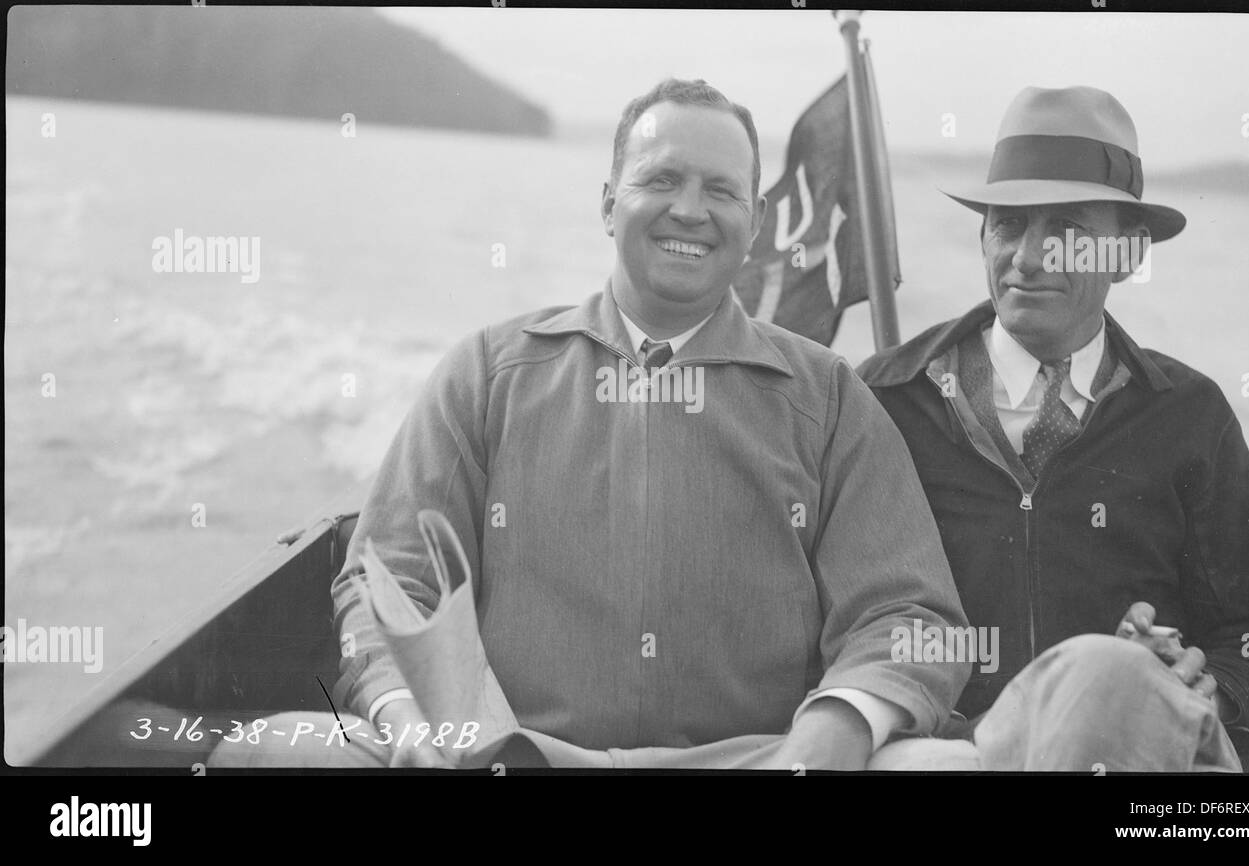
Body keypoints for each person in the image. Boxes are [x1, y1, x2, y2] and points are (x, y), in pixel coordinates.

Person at [211, 78, 968, 770]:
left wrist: (833, 731)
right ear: (609, 202)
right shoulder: (489, 372)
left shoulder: (829, 397)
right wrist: (413, 724)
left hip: (759, 761)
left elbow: (906, 614)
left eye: (720, 190)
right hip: (505, 756)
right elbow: (389, 580)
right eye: (661, 179)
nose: (690, 211)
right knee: (264, 752)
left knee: (954, 769)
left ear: (756, 217)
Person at [857, 86, 1249, 771]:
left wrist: (1206, 688)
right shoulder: (885, 398)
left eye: (1064, 230)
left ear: (1124, 256)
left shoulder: (1192, 418)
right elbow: (832, 621)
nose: (1028, 257)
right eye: (1008, 224)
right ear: (982, 237)